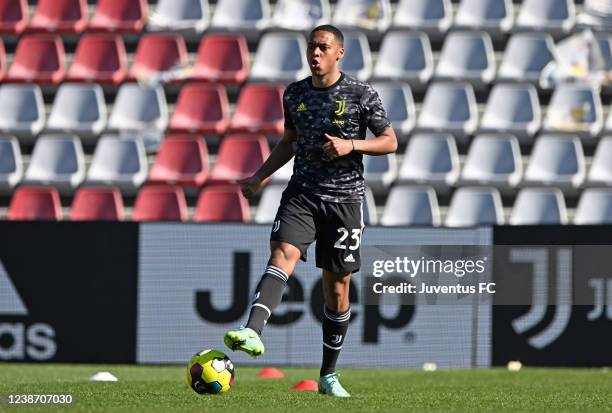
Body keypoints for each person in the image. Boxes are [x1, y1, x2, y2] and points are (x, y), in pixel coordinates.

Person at [224, 24, 397, 397]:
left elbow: (389, 141)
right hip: (302, 193)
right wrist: (260, 176)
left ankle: (328, 374)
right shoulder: (296, 94)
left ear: (339, 53)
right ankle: (252, 330)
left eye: (322, 47)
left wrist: (352, 146)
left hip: (345, 200)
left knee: (337, 289)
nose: (314, 54)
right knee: (282, 252)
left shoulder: (361, 93)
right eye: (311, 48)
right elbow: (290, 141)